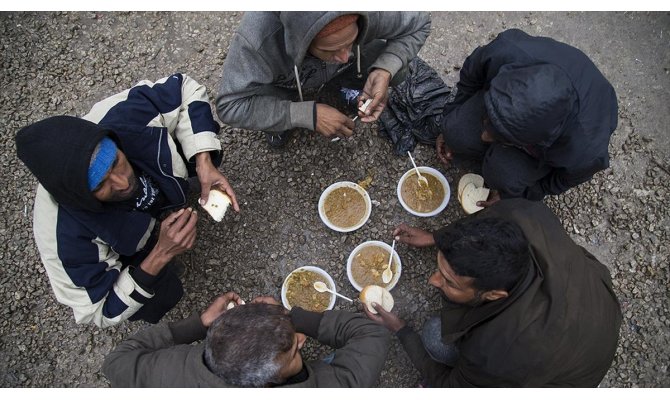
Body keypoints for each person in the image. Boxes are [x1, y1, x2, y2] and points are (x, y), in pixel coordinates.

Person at [15, 73, 240, 328]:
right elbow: (98, 311)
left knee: (201, 138)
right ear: (80, 196)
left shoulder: (126, 114)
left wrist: (203, 159)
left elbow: (184, 88)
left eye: (117, 163)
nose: (122, 183)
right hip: (129, 252)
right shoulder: (65, 240)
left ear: (114, 141)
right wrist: (159, 254)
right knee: (158, 292)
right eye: (101, 185)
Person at [365, 198, 622, 387]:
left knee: (434, 336)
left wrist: (401, 329)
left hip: (567, 371)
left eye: (449, 281)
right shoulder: (521, 212)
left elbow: (450, 387)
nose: (433, 281)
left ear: (494, 295)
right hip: (589, 297)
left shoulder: (499, 351)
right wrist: (436, 238)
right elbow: (479, 227)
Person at [435, 29, 618, 204]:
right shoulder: (507, 51)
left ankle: (503, 163)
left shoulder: (585, 150)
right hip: (517, 90)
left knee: (503, 178)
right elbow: (470, 76)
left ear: (535, 141)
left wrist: (517, 194)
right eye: (489, 121)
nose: (484, 136)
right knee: (454, 130)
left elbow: (560, 181)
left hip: (567, 130)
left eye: (503, 138)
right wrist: (451, 113)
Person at [216, 11, 431, 147]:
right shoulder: (258, 39)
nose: (345, 56)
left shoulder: (370, 12)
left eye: (350, 42)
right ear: (301, 42)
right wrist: (306, 114)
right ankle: (284, 121)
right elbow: (229, 105)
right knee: (263, 109)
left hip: (331, 72)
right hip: (287, 83)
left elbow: (420, 23)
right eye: (332, 49)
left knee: (399, 70)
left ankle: (340, 87)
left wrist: (385, 69)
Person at [102, 293, 391, 387]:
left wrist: (199, 323)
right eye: (293, 349)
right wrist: (291, 316)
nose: (302, 341)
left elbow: (115, 362)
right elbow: (372, 333)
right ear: (266, 380)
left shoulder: (168, 373)